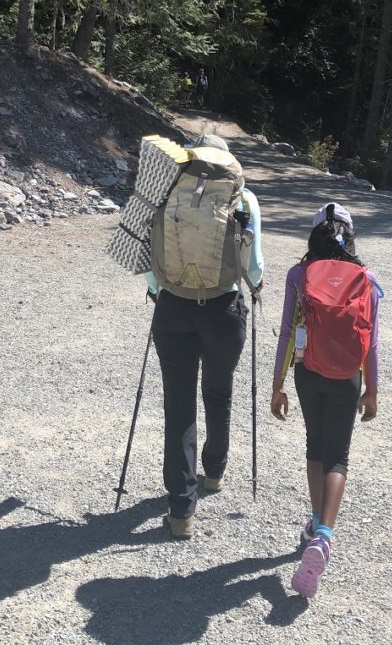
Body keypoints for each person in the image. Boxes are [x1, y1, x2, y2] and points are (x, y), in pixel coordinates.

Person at [145, 133, 263, 539]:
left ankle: (181, 510)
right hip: (223, 309)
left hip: (173, 306)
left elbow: (150, 256)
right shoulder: (242, 198)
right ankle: (214, 470)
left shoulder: (168, 189)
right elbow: (256, 267)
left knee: (178, 407)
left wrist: (157, 289)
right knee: (218, 390)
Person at [270, 202, 381, 598]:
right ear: (349, 238)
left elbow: (286, 332)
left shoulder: (299, 274)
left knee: (314, 447)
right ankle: (323, 537)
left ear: (314, 235)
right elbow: (371, 340)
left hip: (307, 371)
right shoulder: (367, 279)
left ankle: (316, 520)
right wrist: (371, 389)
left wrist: (277, 383)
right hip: (347, 376)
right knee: (339, 456)